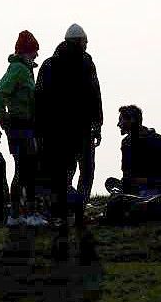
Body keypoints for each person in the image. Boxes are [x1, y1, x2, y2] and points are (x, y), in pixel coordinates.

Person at [35, 23, 103, 259]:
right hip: (79, 130)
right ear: (80, 41)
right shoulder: (85, 62)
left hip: (56, 133)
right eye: (85, 41)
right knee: (85, 171)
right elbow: (96, 93)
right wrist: (98, 124)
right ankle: (78, 211)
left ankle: (64, 218)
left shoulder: (49, 64)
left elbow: (39, 100)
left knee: (62, 176)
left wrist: (40, 132)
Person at [0, 30, 45, 227]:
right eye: (34, 51)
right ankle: (28, 214)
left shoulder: (21, 69)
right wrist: (2, 119)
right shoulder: (18, 70)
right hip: (20, 125)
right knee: (27, 168)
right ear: (25, 52)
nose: (37, 55)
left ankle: (16, 214)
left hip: (23, 125)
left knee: (23, 169)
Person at [117, 105, 161, 198]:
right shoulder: (127, 142)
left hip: (159, 188)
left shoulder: (155, 140)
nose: (119, 124)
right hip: (146, 187)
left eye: (121, 120)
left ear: (132, 120)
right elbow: (127, 173)